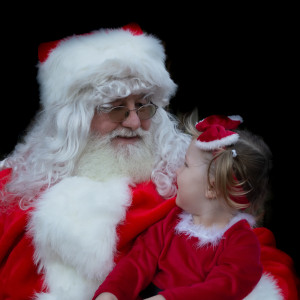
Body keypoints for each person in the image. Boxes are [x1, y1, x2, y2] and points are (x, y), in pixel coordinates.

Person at [0, 24, 298, 300]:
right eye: (115, 108)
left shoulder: (182, 178)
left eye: (143, 106)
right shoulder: (14, 189)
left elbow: (252, 253)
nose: (133, 122)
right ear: (74, 121)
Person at [91, 115, 270, 300]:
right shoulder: (170, 222)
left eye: (186, 165)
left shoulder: (241, 243)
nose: (177, 171)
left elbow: (222, 288)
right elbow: (137, 262)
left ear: (211, 187)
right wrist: (112, 291)